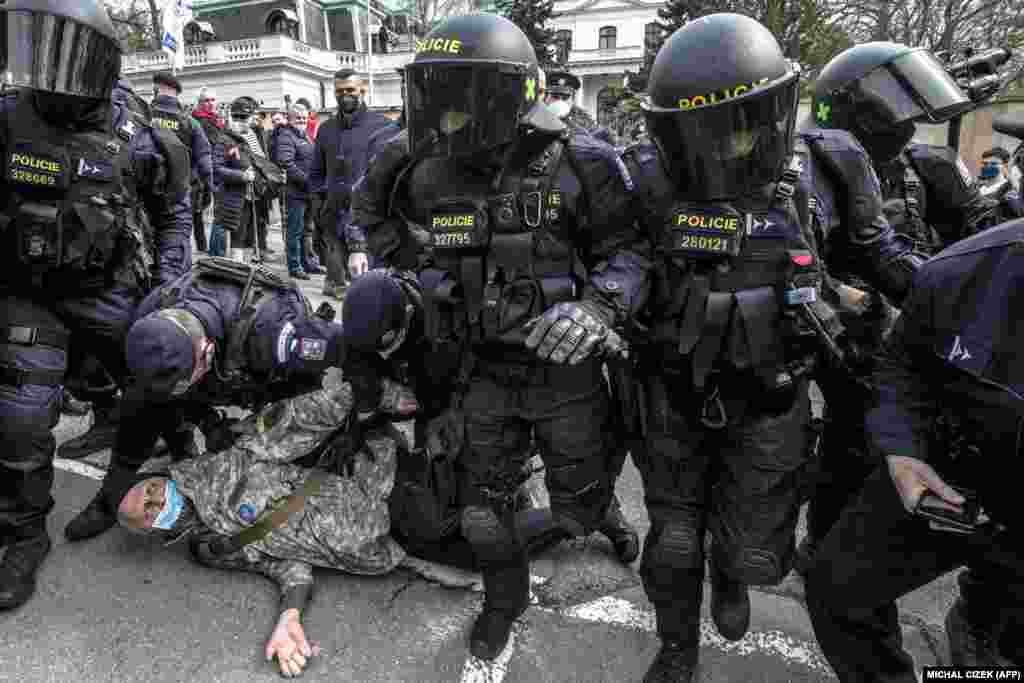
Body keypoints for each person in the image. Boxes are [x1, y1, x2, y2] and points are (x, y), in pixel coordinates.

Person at [622, 15, 927, 681]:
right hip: (674, 387)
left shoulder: (832, 159)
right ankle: (678, 648)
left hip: (774, 391)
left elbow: (882, 251)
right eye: (699, 133)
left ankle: (729, 573)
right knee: (673, 542)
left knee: (758, 548)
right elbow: (618, 258)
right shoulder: (645, 174)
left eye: (737, 127)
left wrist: (948, 286)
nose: (721, 149)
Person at [352, 13, 648, 661]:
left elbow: (630, 254)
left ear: (514, 96)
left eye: (462, 97)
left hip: (564, 372)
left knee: (577, 502)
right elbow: (370, 217)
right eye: (435, 95)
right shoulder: (427, 167)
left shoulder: (583, 162)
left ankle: (602, 513)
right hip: (480, 369)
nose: (446, 115)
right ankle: (503, 599)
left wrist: (597, 311)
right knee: (485, 512)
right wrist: (419, 262)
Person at [111, 367, 565, 677]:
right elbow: (279, 562)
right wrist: (289, 617)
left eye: (151, 490)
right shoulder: (211, 546)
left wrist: (381, 395)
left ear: (163, 477)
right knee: (472, 552)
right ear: (155, 533)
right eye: (147, 512)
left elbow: (304, 415)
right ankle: (564, 506)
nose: (156, 501)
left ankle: (579, 508)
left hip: (387, 489)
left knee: (480, 533)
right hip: (384, 545)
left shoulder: (234, 456)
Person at [0, 0, 192, 610]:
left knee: (162, 386)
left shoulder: (140, 136)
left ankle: (146, 482)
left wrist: (168, 293)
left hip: (111, 295)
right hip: (30, 296)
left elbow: (174, 215)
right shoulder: (8, 119)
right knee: (22, 418)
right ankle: (25, 536)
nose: (48, 70)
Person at [804, 218, 1024, 680]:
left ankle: (983, 634)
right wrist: (903, 452)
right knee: (837, 590)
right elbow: (902, 364)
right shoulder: (959, 272)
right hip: (955, 472)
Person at [63, 256, 343, 543]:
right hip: (208, 365)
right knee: (142, 404)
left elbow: (349, 345)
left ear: (206, 350)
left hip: (278, 375)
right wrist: (209, 423)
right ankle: (112, 495)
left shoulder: (276, 333)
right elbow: (174, 388)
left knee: (299, 435)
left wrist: (366, 407)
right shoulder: (150, 316)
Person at [811, 42, 1010, 254]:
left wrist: (1012, 206)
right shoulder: (810, 178)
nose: (906, 123)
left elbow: (985, 232)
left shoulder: (928, 165)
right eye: (889, 107)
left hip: (924, 281)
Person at [311, 69, 395, 300]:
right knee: (340, 295)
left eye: (350, 90)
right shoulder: (326, 129)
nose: (345, 95)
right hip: (333, 218)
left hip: (367, 222)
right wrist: (318, 205)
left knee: (368, 292)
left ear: (362, 90)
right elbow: (316, 172)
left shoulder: (382, 127)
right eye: (339, 91)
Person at [208, 98, 264, 262]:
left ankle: (242, 272)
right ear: (241, 118)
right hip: (233, 197)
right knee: (236, 238)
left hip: (250, 197)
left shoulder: (247, 137)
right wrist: (241, 176)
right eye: (249, 119)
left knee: (245, 238)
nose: (251, 122)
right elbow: (216, 168)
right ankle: (231, 269)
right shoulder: (224, 139)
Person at [276, 103, 317, 280]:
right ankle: (295, 266)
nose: (302, 120)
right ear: (290, 119)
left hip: (308, 192)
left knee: (307, 229)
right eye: (298, 118)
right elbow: (286, 162)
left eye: (304, 118)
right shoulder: (286, 136)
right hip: (295, 192)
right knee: (295, 230)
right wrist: (307, 180)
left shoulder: (306, 136)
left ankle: (307, 262)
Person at [191, 87, 225, 253]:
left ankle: (204, 245)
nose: (211, 103)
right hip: (202, 170)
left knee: (202, 209)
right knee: (199, 209)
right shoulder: (198, 121)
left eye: (213, 100)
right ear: (200, 103)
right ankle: (204, 246)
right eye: (207, 100)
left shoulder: (216, 120)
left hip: (215, 168)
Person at [977, 146, 1024, 217]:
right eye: (985, 163)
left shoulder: (1008, 188)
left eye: (993, 164)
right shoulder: (978, 186)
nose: (988, 166)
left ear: (1004, 166)